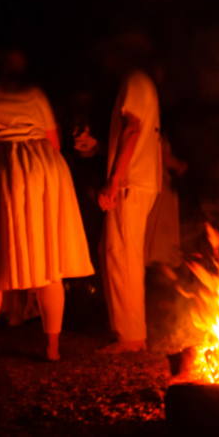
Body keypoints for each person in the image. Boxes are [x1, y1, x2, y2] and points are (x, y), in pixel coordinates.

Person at [0, 50, 93, 373]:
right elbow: (53, 144)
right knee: (49, 263)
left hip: (0, 164)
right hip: (44, 165)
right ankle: (52, 350)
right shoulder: (33, 93)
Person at [74, 33, 162, 353]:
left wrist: (113, 181)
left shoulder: (134, 82)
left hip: (131, 182)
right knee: (112, 251)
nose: (105, 63)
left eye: (110, 55)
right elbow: (133, 136)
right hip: (135, 178)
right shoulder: (139, 83)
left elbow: (133, 130)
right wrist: (98, 147)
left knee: (122, 254)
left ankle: (132, 336)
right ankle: (124, 330)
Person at [144, 132, 186, 269]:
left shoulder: (150, 129)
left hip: (152, 181)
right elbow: (164, 156)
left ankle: (154, 261)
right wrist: (180, 165)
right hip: (158, 184)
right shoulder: (156, 131)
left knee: (153, 223)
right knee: (160, 223)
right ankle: (159, 260)